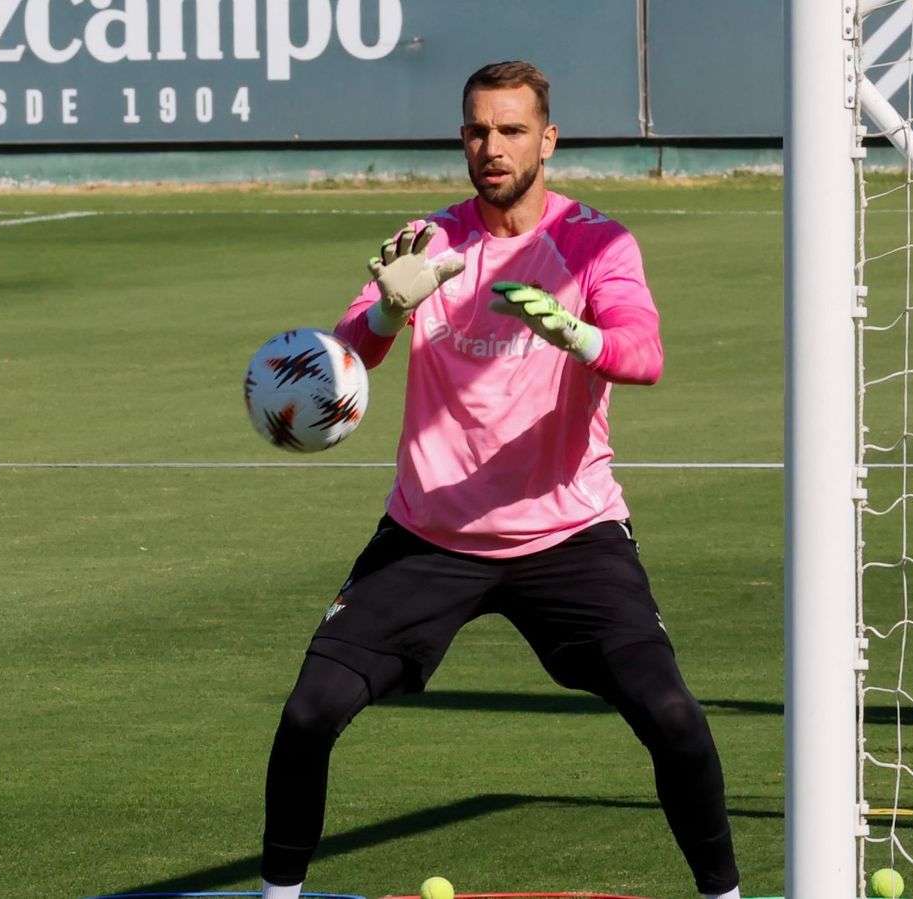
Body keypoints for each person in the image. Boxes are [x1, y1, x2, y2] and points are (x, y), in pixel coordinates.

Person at [258, 60, 740, 899]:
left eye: (512, 130)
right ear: (462, 139)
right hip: (430, 535)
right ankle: (278, 897)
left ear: (546, 140)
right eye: (479, 131)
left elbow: (645, 354)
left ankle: (724, 896)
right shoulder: (430, 241)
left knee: (670, 712)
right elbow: (346, 357)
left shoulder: (598, 242)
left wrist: (576, 334)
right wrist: (387, 310)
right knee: (309, 711)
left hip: (570, 533)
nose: (493, 146)